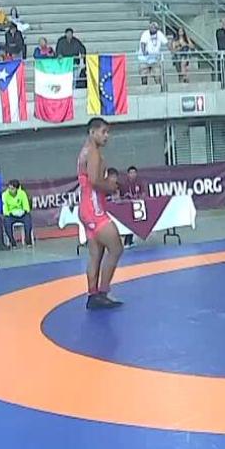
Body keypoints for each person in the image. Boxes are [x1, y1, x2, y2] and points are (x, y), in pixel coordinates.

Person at [78, 117, 124, 309]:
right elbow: (95, 181)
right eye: (103, 132)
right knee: (116, 248)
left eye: (108, 132)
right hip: (93, 209)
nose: (107, 136)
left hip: (86, 208)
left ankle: (93, 295)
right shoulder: (93, 152)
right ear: (92, 132)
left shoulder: (85, 151)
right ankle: (103, 292)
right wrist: (111, 187)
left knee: (96, 254)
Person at [1, 180, 33, 248]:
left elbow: (26, 206)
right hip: (11, 215)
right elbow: (5, 209)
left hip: (21, 214)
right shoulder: (4, 195)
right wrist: (10, 213)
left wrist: (23, 211)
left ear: (17, 189)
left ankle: (28, 240)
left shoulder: (22, 193)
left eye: (12, 189)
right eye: (9, 188)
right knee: (6, 221)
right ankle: (12, 242)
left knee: (28, 218)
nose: (10, 190)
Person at [138, 20, 168, 86]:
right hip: (144, 59)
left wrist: (171, 50)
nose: (153, 28)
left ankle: (159, 88)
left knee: (158, 76)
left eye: (154, 27)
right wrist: (144, 52)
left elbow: (166, 42)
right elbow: (143, 43)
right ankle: (144, 88)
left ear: (157, 29)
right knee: (144, 76)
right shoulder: (145, 33)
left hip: (155, 59)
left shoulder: (159, 34)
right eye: (151, 27)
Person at [120, 166, 144, 245]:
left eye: (134, 173)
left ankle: (130, 241)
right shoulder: (124, 184)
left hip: (137, 206)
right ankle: (126, 241)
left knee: (135, 224)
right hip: (127, 207)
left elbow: (143, 193)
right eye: (131, 173)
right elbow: (121, 196)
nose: (133, 174)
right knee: (128, 224)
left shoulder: (139, 183)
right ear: (128, 174)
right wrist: (127, 196)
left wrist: (139, 196)